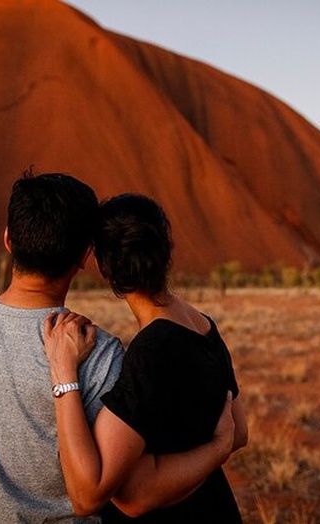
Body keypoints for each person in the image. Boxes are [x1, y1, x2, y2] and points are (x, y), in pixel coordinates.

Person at [0, 173, 235, 523]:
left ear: (8, 240)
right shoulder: (97, 352)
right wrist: (218, 448)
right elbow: (123, 492)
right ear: (85, 257)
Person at [44, 193, 248, 523]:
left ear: (103, 266)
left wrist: (63, 369)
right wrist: (215, 450)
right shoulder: (204, 325)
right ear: (167, 253)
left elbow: (125, 498)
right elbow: (238, 431)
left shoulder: (151, 351)